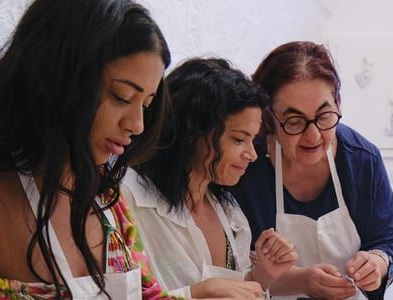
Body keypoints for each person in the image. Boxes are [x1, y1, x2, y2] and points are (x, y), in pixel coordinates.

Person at [0, 0, 177, 299]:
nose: (137, 124)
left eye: (147, 105)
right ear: (56, 76)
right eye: (122, 96)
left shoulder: (104, 196)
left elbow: (148, 294)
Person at [229, 41, 393, 300]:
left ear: (338, 103)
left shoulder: (361, 160)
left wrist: (376, 263)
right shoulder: (247, 166)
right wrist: (300, 282)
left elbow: (389, 240)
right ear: (268, 118)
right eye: (294, 121)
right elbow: (232, 269)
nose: (313, 136)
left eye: (324, 116)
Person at [121, 58, 298, 299]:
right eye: (238, 139)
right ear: (192, 133)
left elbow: (234, 292)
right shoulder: (127, 200)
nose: (252, 154)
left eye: (252, 139)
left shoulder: (228, 211)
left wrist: (260, 276)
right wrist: (198, 293)